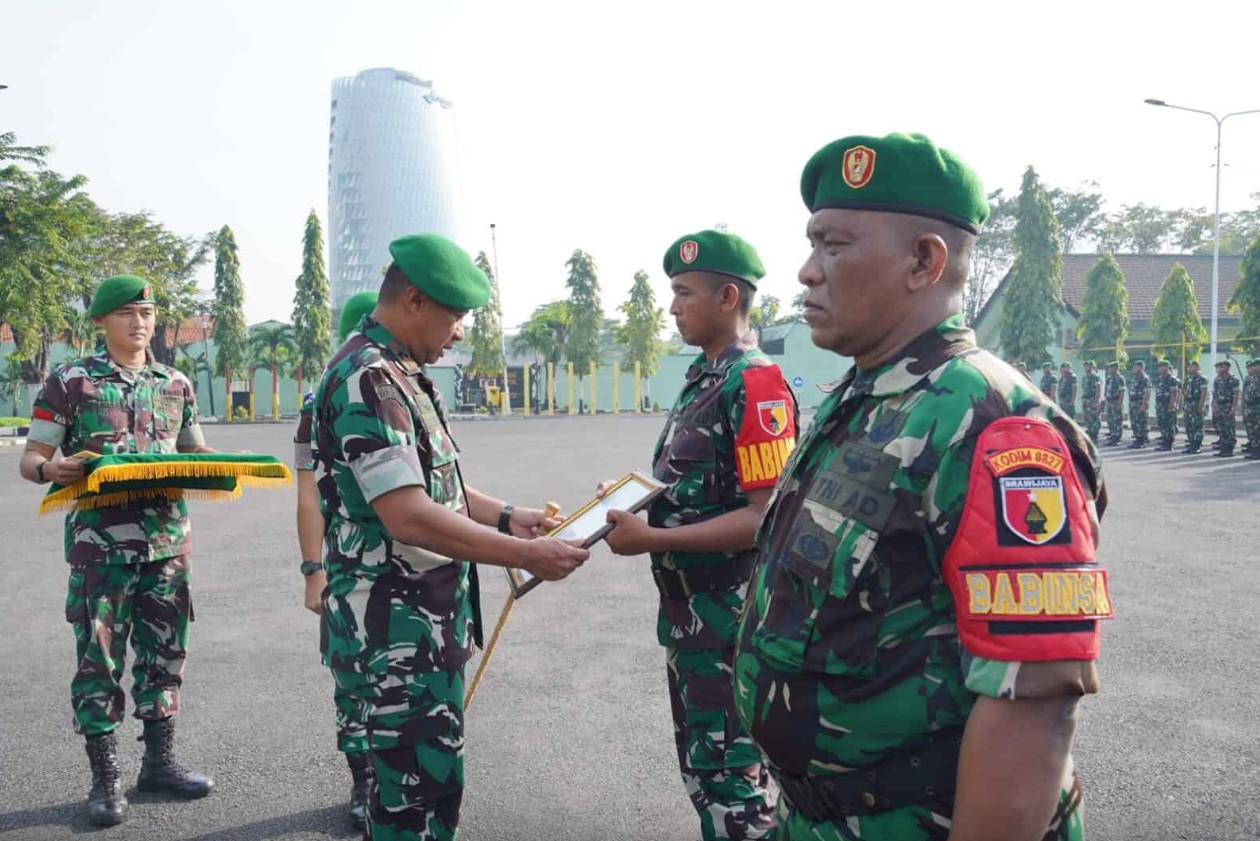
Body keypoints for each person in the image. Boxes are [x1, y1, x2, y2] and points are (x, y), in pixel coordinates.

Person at [734, 133, 1112, 841]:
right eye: (812, 243)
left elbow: (1035, 703)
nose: (807, 271)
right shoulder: (871, 394)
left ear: (923, 261)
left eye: (834, 245)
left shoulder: (997, 428)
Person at [311, 234, 589, 841]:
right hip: (395, 635)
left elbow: (436, 489)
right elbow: (408, 516)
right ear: (414, 300)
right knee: (411, 803)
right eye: (456, 315)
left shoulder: (399, 371)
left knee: (433, 789)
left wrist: (505, 517)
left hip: (421, 627)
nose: (460, 332)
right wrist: (523, 554)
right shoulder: (368, 378)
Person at [599, 230, 796, 840]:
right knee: (707, 770)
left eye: (684, 292)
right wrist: (631, 503)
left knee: (733, 776)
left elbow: (765, 517)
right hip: (694, 618)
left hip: (729, 623)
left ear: (728, 296)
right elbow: (692, 486)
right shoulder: (706, 376)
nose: (673, 305)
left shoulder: (755, 383)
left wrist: (652, 539)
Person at [19, 276, 216, 826]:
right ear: (102, 322)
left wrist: (226, 465)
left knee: (165, 655)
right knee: (99, 660)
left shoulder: (175, 382)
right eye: (128, 312)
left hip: (167, 546)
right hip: (99, 548)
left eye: (147, 312)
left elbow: (194, 452)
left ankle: (159, 765)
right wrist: (51, 470)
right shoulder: (71, 381)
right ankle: (105, 779)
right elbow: (32, 457)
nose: (140, 323)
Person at [295, 290, 379, 830]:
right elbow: (308, 495)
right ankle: (362, 778)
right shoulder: (322, 401)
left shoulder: (399, 390)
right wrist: (312, 571)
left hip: (409, 568)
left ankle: (395, 777)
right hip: (349, 564)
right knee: (351, 677)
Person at [1210, 360, 1240, 457]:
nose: (1219, 369)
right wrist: (1214, 406)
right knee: (1221, 428)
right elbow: (1214, 395)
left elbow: (1236, 395)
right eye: (1219, 367)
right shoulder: (1217, 379)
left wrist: (1233, 408)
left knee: (1229, 428)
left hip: (1228, 405)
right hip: (1219, 406)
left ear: (1227, 367)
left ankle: (1229, 449)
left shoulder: (1233, 380)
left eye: (1222, 366)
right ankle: (1223, 447)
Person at [1180, 360, 1208, 454]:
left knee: (1197, 425)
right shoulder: (1187, 379)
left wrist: (1200, 405)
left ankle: (1197, 445)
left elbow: (1204, 393)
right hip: (1188, 405)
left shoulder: (1201, 379)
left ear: (1197, 368)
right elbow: (1183, 391)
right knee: (1189, 425)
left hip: (1196, 404)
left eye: (1192, 366)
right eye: (1189, 366)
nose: (1190, 368)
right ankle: (1191, 443)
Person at [1152, 359, 1181, 451]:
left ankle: (1169, 443)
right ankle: (1165, 441)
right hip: (1161, 405)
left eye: (1162, 366)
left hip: (1167, 404)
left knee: (1169, 425)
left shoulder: (1172, 379)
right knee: (1162, 424)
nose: (1159, 369)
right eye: (1159, 367)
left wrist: (1172, 405)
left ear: (1167, 367)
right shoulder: (1161, 379)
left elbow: (1174, 393)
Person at [1127, 360, 1151, 449]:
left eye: (1135, 367)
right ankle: (1137, 439)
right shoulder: (1134, 378)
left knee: (1140, 422)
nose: (1133, 369)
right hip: (1133, 403)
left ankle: (1141, 441)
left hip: (1139, 403)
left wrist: (1143, 405)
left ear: (1141, 368)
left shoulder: (1145, 379)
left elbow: (1147, 393)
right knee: (1134, 422)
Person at [1104, 361, 1126, 446]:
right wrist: (1106, 399)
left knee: (1117, 420)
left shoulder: (1120, 378)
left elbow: (1122, 391)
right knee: (1110, 419)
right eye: (1109, 368)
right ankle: (1112, 434)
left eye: (1111, 368)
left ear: (1116, 368)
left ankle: (1117, 437)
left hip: (1116, 400)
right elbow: (1106, 390)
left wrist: (1120, 403)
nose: (1110, 370)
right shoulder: (1109, 378)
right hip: (1109, 401)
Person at [1080, 360, 1102, 443]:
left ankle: (1095, 435)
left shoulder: (1095, 376)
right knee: (1087, 417)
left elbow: (1098, 389)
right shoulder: (1085, 377)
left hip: (1092, 399)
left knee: (1094, 418)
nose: (1086, 367)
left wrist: (1096, 401)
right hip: (1085, 399)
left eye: (1088, 366)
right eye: (1085, 366)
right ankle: (1090, 433)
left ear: (1092, 367)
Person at [1243, 358, 1260, 460]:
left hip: (1258, 407)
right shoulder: (1250, 378)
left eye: (1255, 365)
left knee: (1258, 431)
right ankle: (1254, 450)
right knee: (1251, 431)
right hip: (1250, 408)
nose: (1252, 368)